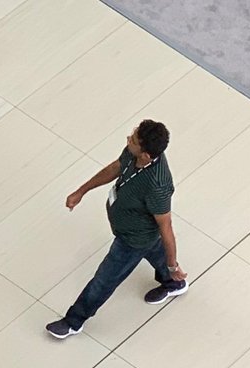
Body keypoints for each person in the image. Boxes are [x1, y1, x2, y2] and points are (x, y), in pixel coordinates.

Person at [45, 119, 188, 340]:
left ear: (146, 156)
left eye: (133, 139)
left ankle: (74, 321)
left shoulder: (157, 186)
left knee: (104, 280)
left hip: (133, 240)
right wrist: (81, 191)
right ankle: (174, 282)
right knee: (153, 249)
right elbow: (116, 167)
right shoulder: (135, 152)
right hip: (133, 230)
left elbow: (166, 227)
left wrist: (173, 263)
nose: (128, 139)